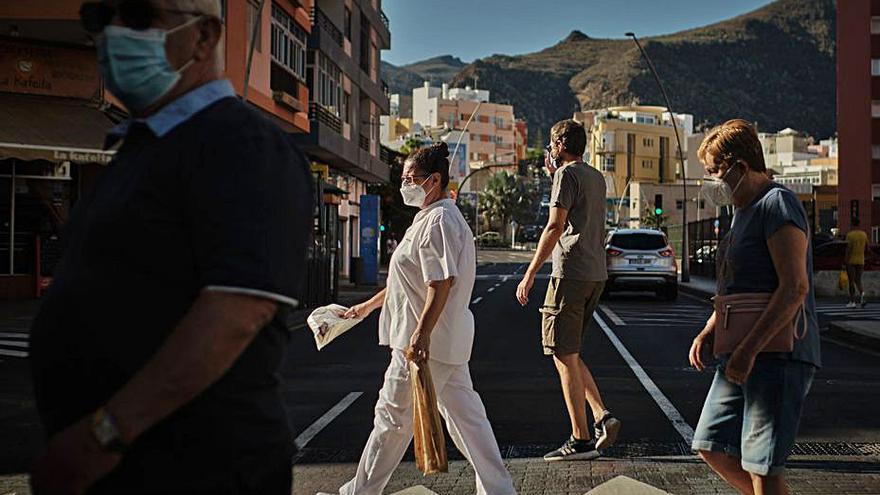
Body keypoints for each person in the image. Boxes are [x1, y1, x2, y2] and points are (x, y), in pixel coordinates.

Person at [28, 1, 312, 493]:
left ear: (203, 37)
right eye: (100, 19)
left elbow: (234, 313)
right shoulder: (142, 148)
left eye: (138, 17)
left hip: (197, 469)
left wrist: (102, 438)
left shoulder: (240, 144)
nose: (113, 35)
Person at [326, 143, 516, 495]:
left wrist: (419, 336)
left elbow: (439, 284)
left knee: (392, 421)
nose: (405, 185)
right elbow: (406, 281)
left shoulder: (440, 221)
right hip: (443, 342)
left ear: (434, 180)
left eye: (411, 179)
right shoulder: (430, 218)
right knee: (468, 421)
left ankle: (359, 493)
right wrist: (366, 307)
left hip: (422, 345)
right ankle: (499, 490)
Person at [689, 119, 821, 495]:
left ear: (740, 167)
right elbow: (736, 288)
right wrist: (708, 330)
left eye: (714, 171)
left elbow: (794, 286)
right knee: (710, 444)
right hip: (740, 352)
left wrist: (748, 350)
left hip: (779, 354)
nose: (711, 181)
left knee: (762, 465)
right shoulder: (740, 214)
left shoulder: (777, 204)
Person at [515, 119, 621, 461]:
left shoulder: (566, 175)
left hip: (570, 273)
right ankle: (602, 416)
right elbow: (578, 211)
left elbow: (555, 225)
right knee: (570, 351)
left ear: (559, 144)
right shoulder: (594, 176)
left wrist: (530, 273)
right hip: (595, 274)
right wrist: (553, 176)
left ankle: (581, 439)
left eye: (550, 143)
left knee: (561, 353)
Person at [845, 217, 868, 308]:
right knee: (858, 280)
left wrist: (845, 260)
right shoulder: (864, 234)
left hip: (851, 260)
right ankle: (862, 293)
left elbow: (848, 249)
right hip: (861, 260)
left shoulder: (850, 235)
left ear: (852, 224)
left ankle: (852, 301)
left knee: (851, 281)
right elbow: (867, 248)